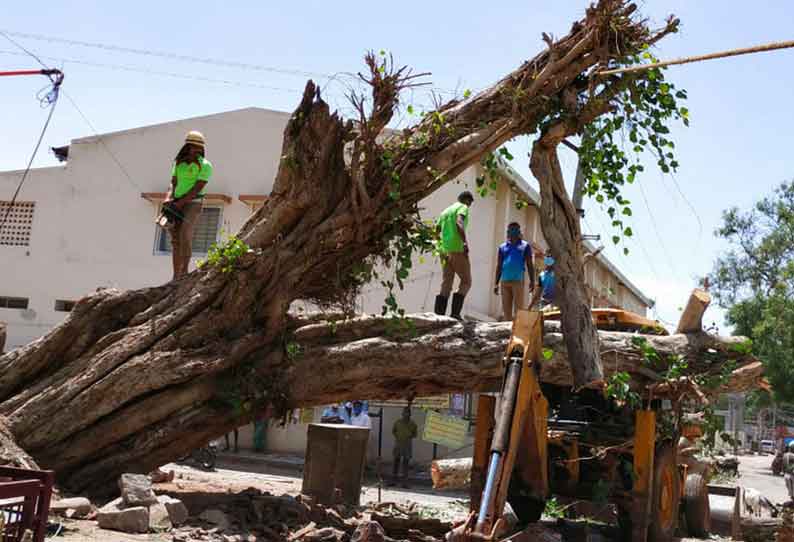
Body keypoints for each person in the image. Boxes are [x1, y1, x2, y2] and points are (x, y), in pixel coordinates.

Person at [164, 130, 213, 279]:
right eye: (192, 146)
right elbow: (173, 184)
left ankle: (184, 273)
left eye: (199, 147)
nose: (195, 150)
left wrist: (180, 203)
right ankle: (176, 276)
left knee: (185, 234)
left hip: (193, 203)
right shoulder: (178, 163)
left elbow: (197, 188)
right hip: (176, 202)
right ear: (186, 147)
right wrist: (168, 198)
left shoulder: (206, 165)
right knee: (175, 240)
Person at [434, 191, 475, 319]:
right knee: (466, 281)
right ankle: (455, 314)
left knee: (447, 281)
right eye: (470, 204)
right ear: (467, 201)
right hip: (457, 249)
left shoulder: (445, 211)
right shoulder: (462, 207)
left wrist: (439, 245)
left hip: (443, 250)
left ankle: (439, 315)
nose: (469, 207)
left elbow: (436, 229)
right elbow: (459, 222)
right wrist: (464, 243)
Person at [493, 222, 534, 321]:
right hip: (505, 281)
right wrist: (496, 283)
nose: (511, 232)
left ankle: (517, 332)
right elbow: (499, 265)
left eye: (514, 229)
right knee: (506, 310)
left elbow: (529, 264)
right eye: (510, 230)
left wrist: (532, 281)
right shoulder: (502, 247)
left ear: (518, 231)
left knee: (518, 309)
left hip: (518, 281)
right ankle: (507, 331)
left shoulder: (525, 246)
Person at [391, 407, 418, 487]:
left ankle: (404, 482)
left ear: (410, 414)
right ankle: (393, 481)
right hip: (398, 444)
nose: (406, 414)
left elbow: (415, 434)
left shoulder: (413, 424)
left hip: (407, 445)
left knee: (405, 464)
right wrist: (399, 437)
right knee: (396, 462)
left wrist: (408, 436)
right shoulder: (397, 422)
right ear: (402, 414)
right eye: (405, 413)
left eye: (408, 413)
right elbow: (393, 431)